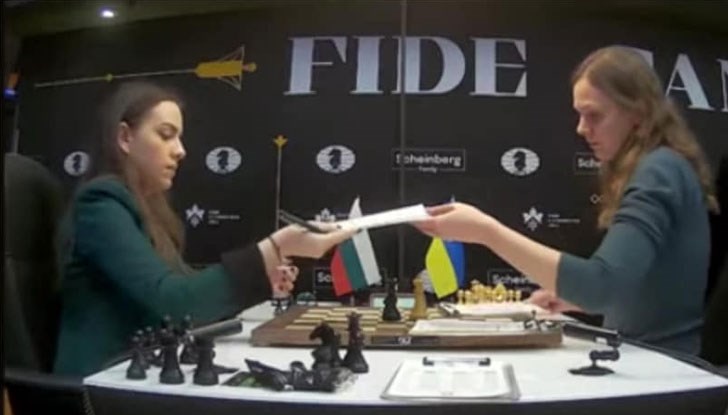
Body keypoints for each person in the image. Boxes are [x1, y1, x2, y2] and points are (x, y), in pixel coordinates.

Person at [415, 46, 719, 355]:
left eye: (594, 115)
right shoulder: (662, 165)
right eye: (579, 114)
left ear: (638, 114)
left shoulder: (659, 170)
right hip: (652, 358)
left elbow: (600, 285)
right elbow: (642, 282)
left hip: (666, 366)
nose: (581, 128)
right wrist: (573, 300)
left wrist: (486, 232)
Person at [53, 81, 354, 376]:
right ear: (125, 137)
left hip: (135, 375)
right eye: (166, 135)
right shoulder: (101, 203)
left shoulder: (150, 212)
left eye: (179, 138)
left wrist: (267, 277)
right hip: (95, 385)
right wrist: (276, 248)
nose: (180, 151)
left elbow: (190, 294)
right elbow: (176, 302)